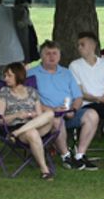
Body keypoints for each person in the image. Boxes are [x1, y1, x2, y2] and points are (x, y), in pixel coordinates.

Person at [29, 40, 99, 170]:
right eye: (47, 53)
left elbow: (78, 96)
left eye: (55, 53)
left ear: (59, 56)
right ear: (41, 56)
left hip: (69, 112)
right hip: (47, 116)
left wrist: (73, 109)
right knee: (56, 119)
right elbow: (29, 101)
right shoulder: (32, 74)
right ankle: (66, 156)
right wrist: (52, 110)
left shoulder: (66, 73)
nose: (51, 57)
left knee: (92, 115)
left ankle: (80, 155)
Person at [68, 32, 104, 167]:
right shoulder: (75, 65)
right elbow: (79, 91)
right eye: (78, 45)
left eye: (82, 44)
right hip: (88, 104)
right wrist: (98, 99)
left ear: (93, 45)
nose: (79, 48)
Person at [0, 62, 56, 179]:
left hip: (32, 126)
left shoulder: (32, 92)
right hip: (16, 127)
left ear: (18, 75)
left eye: (9, 75)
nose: (5, 78)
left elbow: (39, 114)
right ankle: (45, 170)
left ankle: (16, 134)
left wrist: (33, 115)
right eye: (5, 76)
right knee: (31, 133)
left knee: (50, 114)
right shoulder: (4, 93)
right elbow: (0, 120)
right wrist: (16, 115)